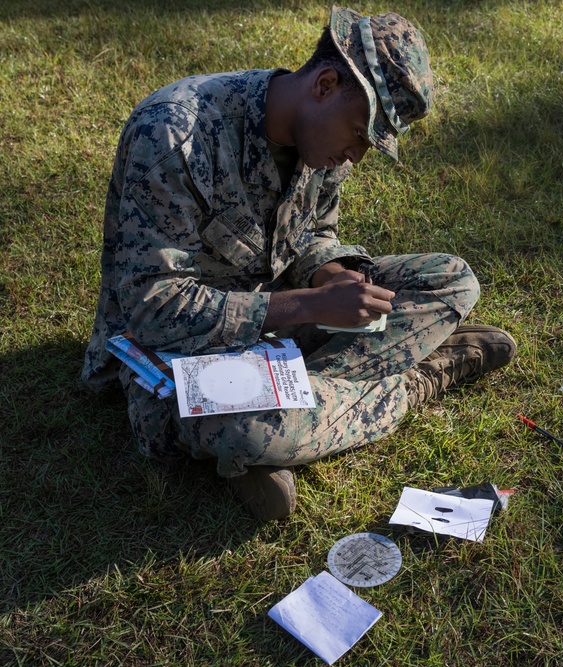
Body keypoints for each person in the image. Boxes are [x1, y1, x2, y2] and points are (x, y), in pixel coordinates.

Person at [81, 5, 516, 520]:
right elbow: (152, 309)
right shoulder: (174, 133)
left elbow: (313, 234)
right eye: (360, 134)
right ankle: (412, 380)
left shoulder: (320, 143)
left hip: (282, 323)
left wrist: (326, 272)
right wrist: (309, 303)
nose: (357, 156)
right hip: (182, 356)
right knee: (243, 429)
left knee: (451, 280)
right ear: (325, 84)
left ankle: (292, 424)